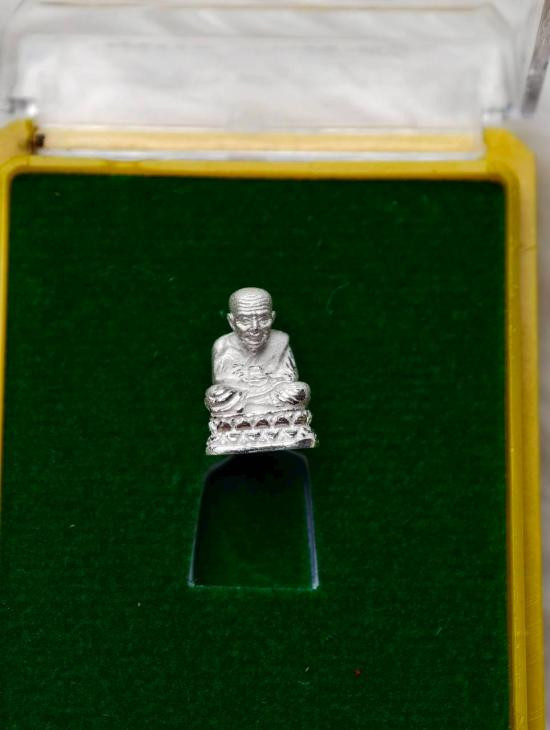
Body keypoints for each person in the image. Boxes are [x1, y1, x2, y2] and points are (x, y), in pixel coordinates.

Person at [205, 287, 311, 417]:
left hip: (272, 394)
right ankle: (262, 413)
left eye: (263, 319)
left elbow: (289, 378)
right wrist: (247, 380)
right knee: (214, 394)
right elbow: (222, 381)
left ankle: (259, 412)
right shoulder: (223, 345)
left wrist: (266, 381)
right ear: (232, 321)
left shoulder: (281, 341)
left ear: (272, 317)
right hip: (241, 398)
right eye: (245, 320)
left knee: (301, 389)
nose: (255, 328)